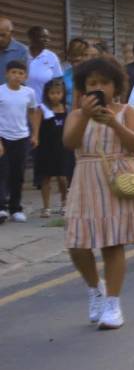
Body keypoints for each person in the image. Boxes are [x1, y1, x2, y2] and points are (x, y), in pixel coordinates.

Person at [62, 56, 134, 330]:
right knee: (77, 243)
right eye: (92, 83)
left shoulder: (126, 112)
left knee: (113, 243)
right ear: (83, 88)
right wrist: (85, 116)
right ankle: (94, 289)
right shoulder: (77, 115)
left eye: (105, 83)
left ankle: (112, 302)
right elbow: (69, 143)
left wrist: (115, 124)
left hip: (117, 177)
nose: (99, 87)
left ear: (116, 85)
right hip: (85, 179)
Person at [0, 60, 40, 223]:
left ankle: (15, 208)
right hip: (3, 136)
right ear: (6, 74)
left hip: (21, 137)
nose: (16, 76)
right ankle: (2, 208)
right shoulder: (1, 91)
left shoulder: (29, 93)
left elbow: (33, 112)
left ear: (25, 77)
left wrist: (35, 134)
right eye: (13, 72)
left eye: (20, 73)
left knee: (18, 174)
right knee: (2, 172)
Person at [35, 78, 70, 218]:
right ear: (46, 94)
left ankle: (64, 203)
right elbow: (36, 127)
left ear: (62, 94)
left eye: (58, 93)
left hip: (61, 148)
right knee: (46, 178)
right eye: (52, 93)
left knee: (62, 178)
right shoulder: (42, 109)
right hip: (46, 147)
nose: (55, 96)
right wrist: (35, 138)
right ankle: (46, 207)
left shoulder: (66, 109)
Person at [24, 26, 63, 103]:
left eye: (48, 38)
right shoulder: (22, 54)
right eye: (43, 37)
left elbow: (58, 80)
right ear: (32, 38)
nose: (47, 40)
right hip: (23, 104)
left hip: (45, 105)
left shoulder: (51, 56)